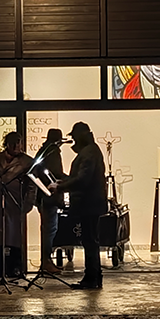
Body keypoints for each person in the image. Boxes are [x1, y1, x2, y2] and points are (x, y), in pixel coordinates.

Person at [51, 122, 107, 290]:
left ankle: (91, 278)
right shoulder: (91, 150)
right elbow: (83, 177)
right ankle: (93, 276)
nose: (73, 140)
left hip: (89, 204)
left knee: (89, 240)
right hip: (91, 203)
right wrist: (65, 182)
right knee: (90, 240)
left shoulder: (88, 152)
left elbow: (83, 179)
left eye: (74, 137)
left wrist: (61, 186)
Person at [0, 131, 36, 278]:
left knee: (15, 235)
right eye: (14, 142)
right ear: (6, 144)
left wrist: (28, 202)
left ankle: (15, 266)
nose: (17, 146)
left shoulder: (27, 161)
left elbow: (32, 185)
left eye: (19, 142)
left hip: (16, 201)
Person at [33, 128, 66, 274]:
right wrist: (70, 180)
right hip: (48, 197)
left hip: (42, 196)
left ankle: (46, 261)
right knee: (49, 230)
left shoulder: (43, 150)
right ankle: (46, 262)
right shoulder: (53, 152)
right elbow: (55, 174)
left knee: (47, 229)